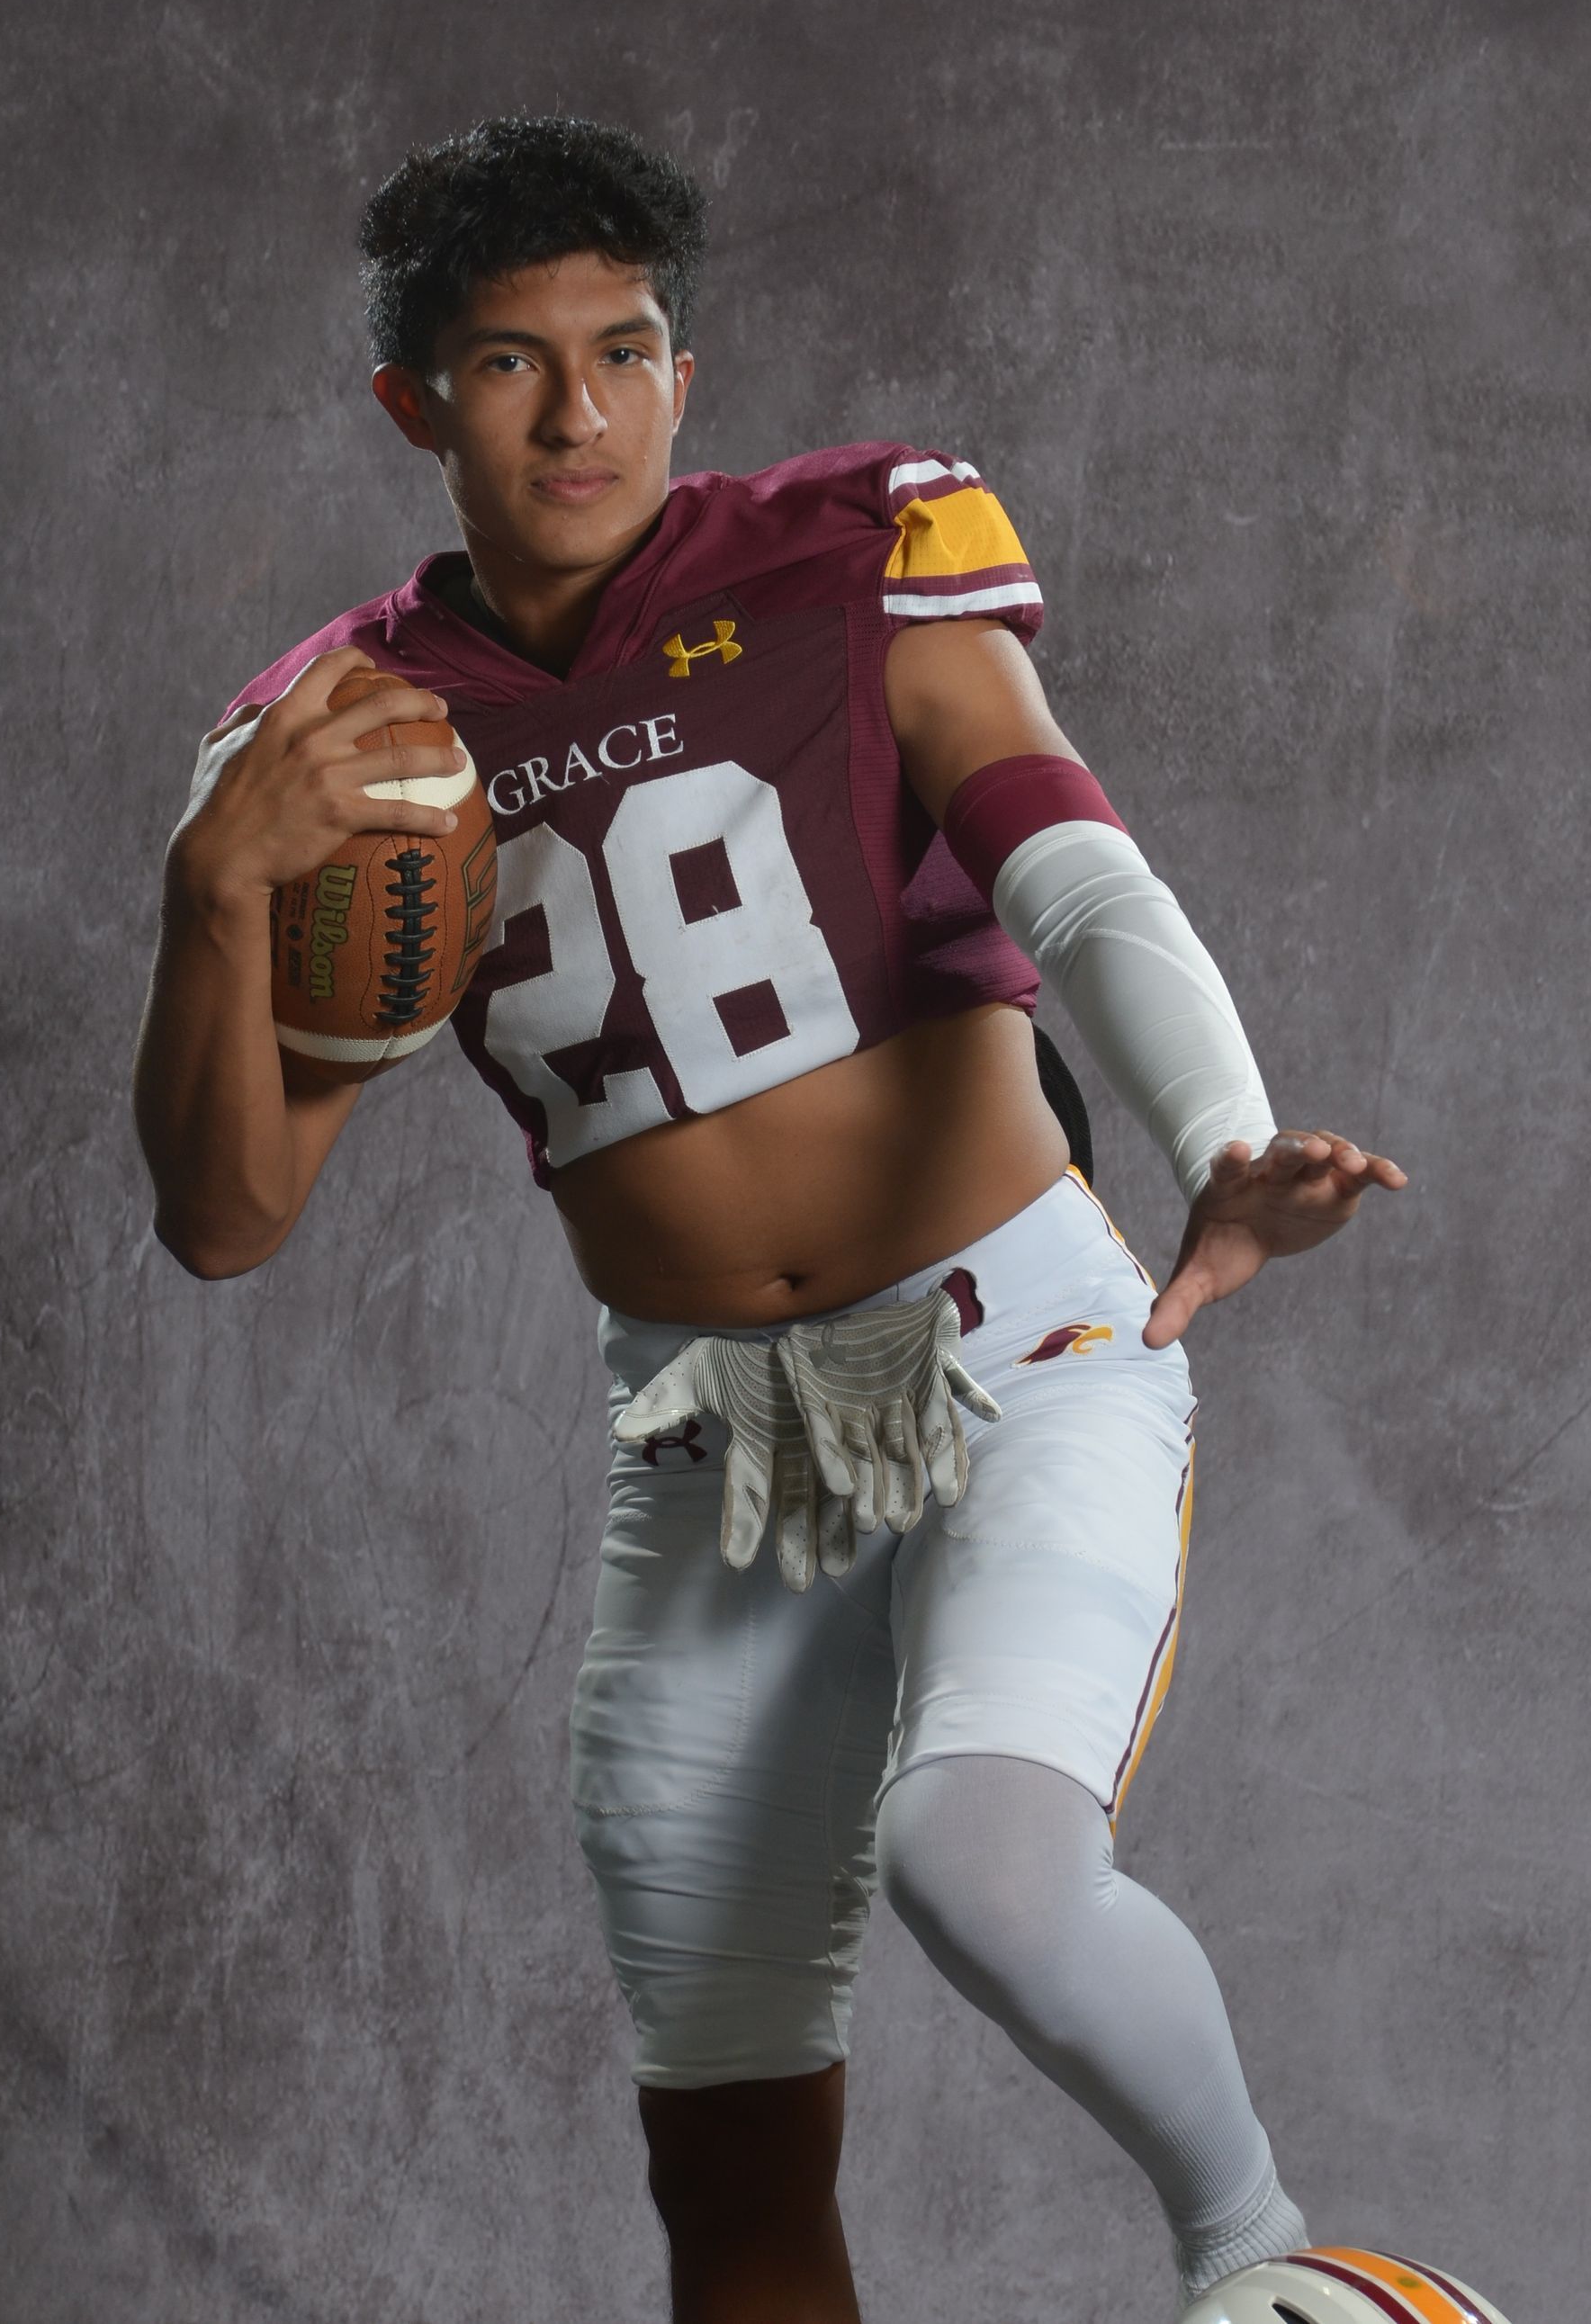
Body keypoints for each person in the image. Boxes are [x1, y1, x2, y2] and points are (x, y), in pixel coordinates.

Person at [134, 114, 1407, 2322]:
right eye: (513, 364)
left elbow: (1065, 860)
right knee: (726, 2162)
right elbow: (229, 1220)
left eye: (624, 350)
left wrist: (1221, 1130)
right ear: (412, 405)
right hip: (711, 1452)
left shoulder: (844, 554)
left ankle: (1263, 2259)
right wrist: (209, 895)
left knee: (983, 1863)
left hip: (1016, 1351)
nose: (579, 410)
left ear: (684, 372)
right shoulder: (347, 738)